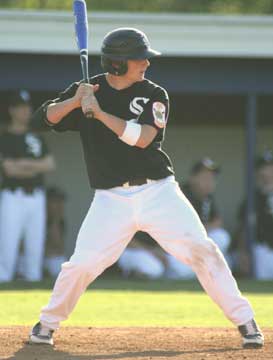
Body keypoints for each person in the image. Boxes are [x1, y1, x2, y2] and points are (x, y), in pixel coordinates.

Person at [29, 28, 263, 348]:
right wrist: (75, 100)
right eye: (139, 59)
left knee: (203, 250)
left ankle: (245, 321)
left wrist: (97, 112)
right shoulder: (88, 88)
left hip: (159, 193)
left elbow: (143, 139)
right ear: (117, 64)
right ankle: (46, 324)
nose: (146, 64)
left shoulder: (155, 93)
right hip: (110, 198)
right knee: (81, 264)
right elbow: (44, 119)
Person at [0, 90, 55, 282]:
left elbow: (49, 164)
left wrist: (22, 164)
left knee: (35, 243)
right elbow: (9, 169)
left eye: (27, 107)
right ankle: (4, 280)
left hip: (36, 196)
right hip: (13, 196)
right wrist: (34, 166)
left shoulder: (36, 137)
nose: (26, 111)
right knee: (7, 243)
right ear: (12, 110)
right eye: (21, 107)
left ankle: (33, 280)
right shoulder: (5, 137)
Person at [233, 150, 273, 279]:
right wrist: (242, 252)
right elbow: (243, 228)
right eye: (264, 169)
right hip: (262, 250)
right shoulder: (253, 198)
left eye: (270, 168)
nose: (267, 172)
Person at [44, 187, 67, 278]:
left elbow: (59, 247)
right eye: (55, 202)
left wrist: (56, 220)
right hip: (33, 258)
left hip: (47, 259)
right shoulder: (35, 218)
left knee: (59, 260)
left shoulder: (59, 221)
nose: (59, 205)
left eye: (60, 202)